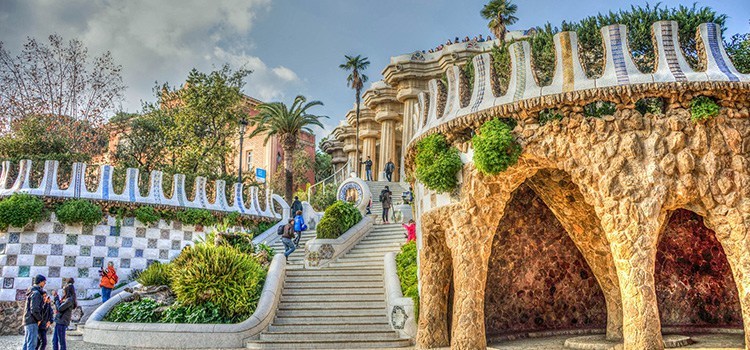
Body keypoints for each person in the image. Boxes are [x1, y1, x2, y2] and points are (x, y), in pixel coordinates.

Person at [23, 274, 46, 350]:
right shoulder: (36, 293)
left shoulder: (31, 291)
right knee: (32, 344)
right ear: (40, 282)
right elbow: (35, 309)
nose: (45, 284)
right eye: (44, 282)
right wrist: (39, 319)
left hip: (28, 319)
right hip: (32, 320)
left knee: (27, 343)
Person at [52, 281, 76, 350]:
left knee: (61, 342)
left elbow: (60, 308)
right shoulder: (67, 299)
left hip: (62, 322)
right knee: (55, 340)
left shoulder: (69, 300)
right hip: (59, 321)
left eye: (64, 290)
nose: (63, 292)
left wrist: (56, 298)